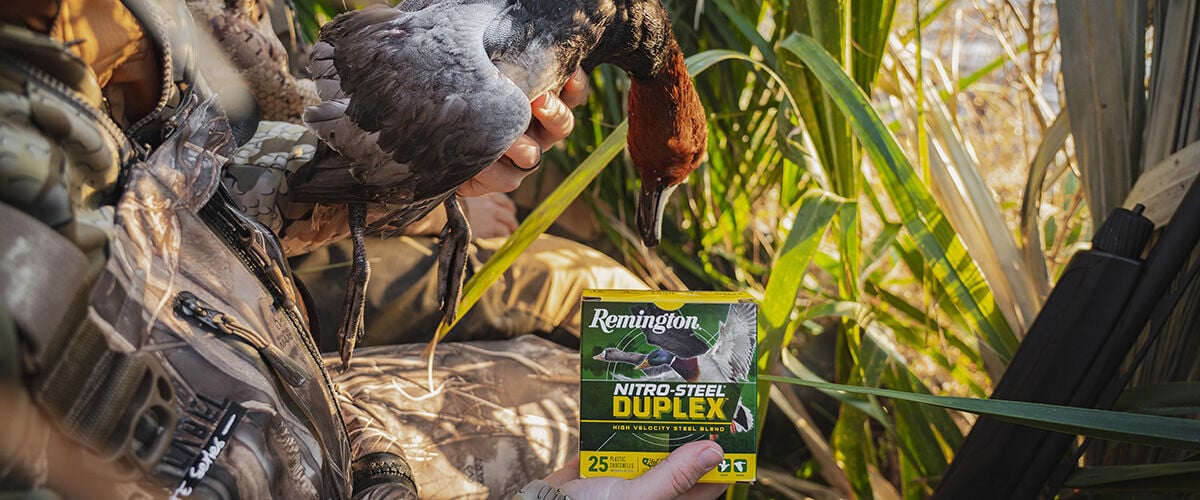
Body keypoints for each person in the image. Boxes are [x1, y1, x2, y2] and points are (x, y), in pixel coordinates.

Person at [0, 1, 727, 499]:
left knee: (623, 305)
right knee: (659, 408)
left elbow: (237, 128)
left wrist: (423, 155)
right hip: (250, 418)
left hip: (247, 297)